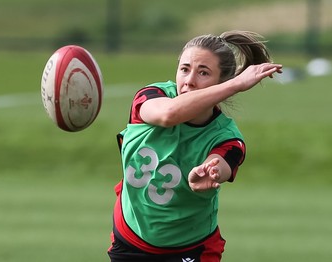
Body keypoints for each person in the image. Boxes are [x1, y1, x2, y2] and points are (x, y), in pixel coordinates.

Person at [108, 30, 282, 262]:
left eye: (203, 72)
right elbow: (168, 114)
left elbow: (219, 165)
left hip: (191, 249)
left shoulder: (227, 139)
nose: (189, 80)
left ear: (220, 83)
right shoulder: (151, 96)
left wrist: (210, 172)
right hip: (130, 239)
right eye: (185, 69)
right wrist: (237, 85)